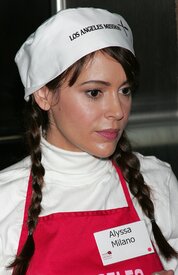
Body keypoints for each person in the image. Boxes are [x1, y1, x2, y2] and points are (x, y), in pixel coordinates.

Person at [0, 7, 177, 275]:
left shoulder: (157, 182)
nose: (118, 111)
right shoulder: (6, 201)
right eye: (94, 92)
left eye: (125, 90)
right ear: (44, 95)